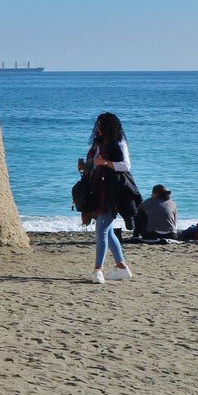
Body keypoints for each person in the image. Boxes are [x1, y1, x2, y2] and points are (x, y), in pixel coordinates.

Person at [79, 112, 132, 283]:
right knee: (107, 232)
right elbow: (94, 166)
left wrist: (105, 163)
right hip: (96, 190)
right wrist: (85, 167)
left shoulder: (119, 144)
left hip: (111, 191)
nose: (99, 129)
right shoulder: (97, 145)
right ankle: (122, 267)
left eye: (102, 126)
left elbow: (125, 166)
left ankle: (98, 271)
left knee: (101, 231)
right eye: (98, 125)